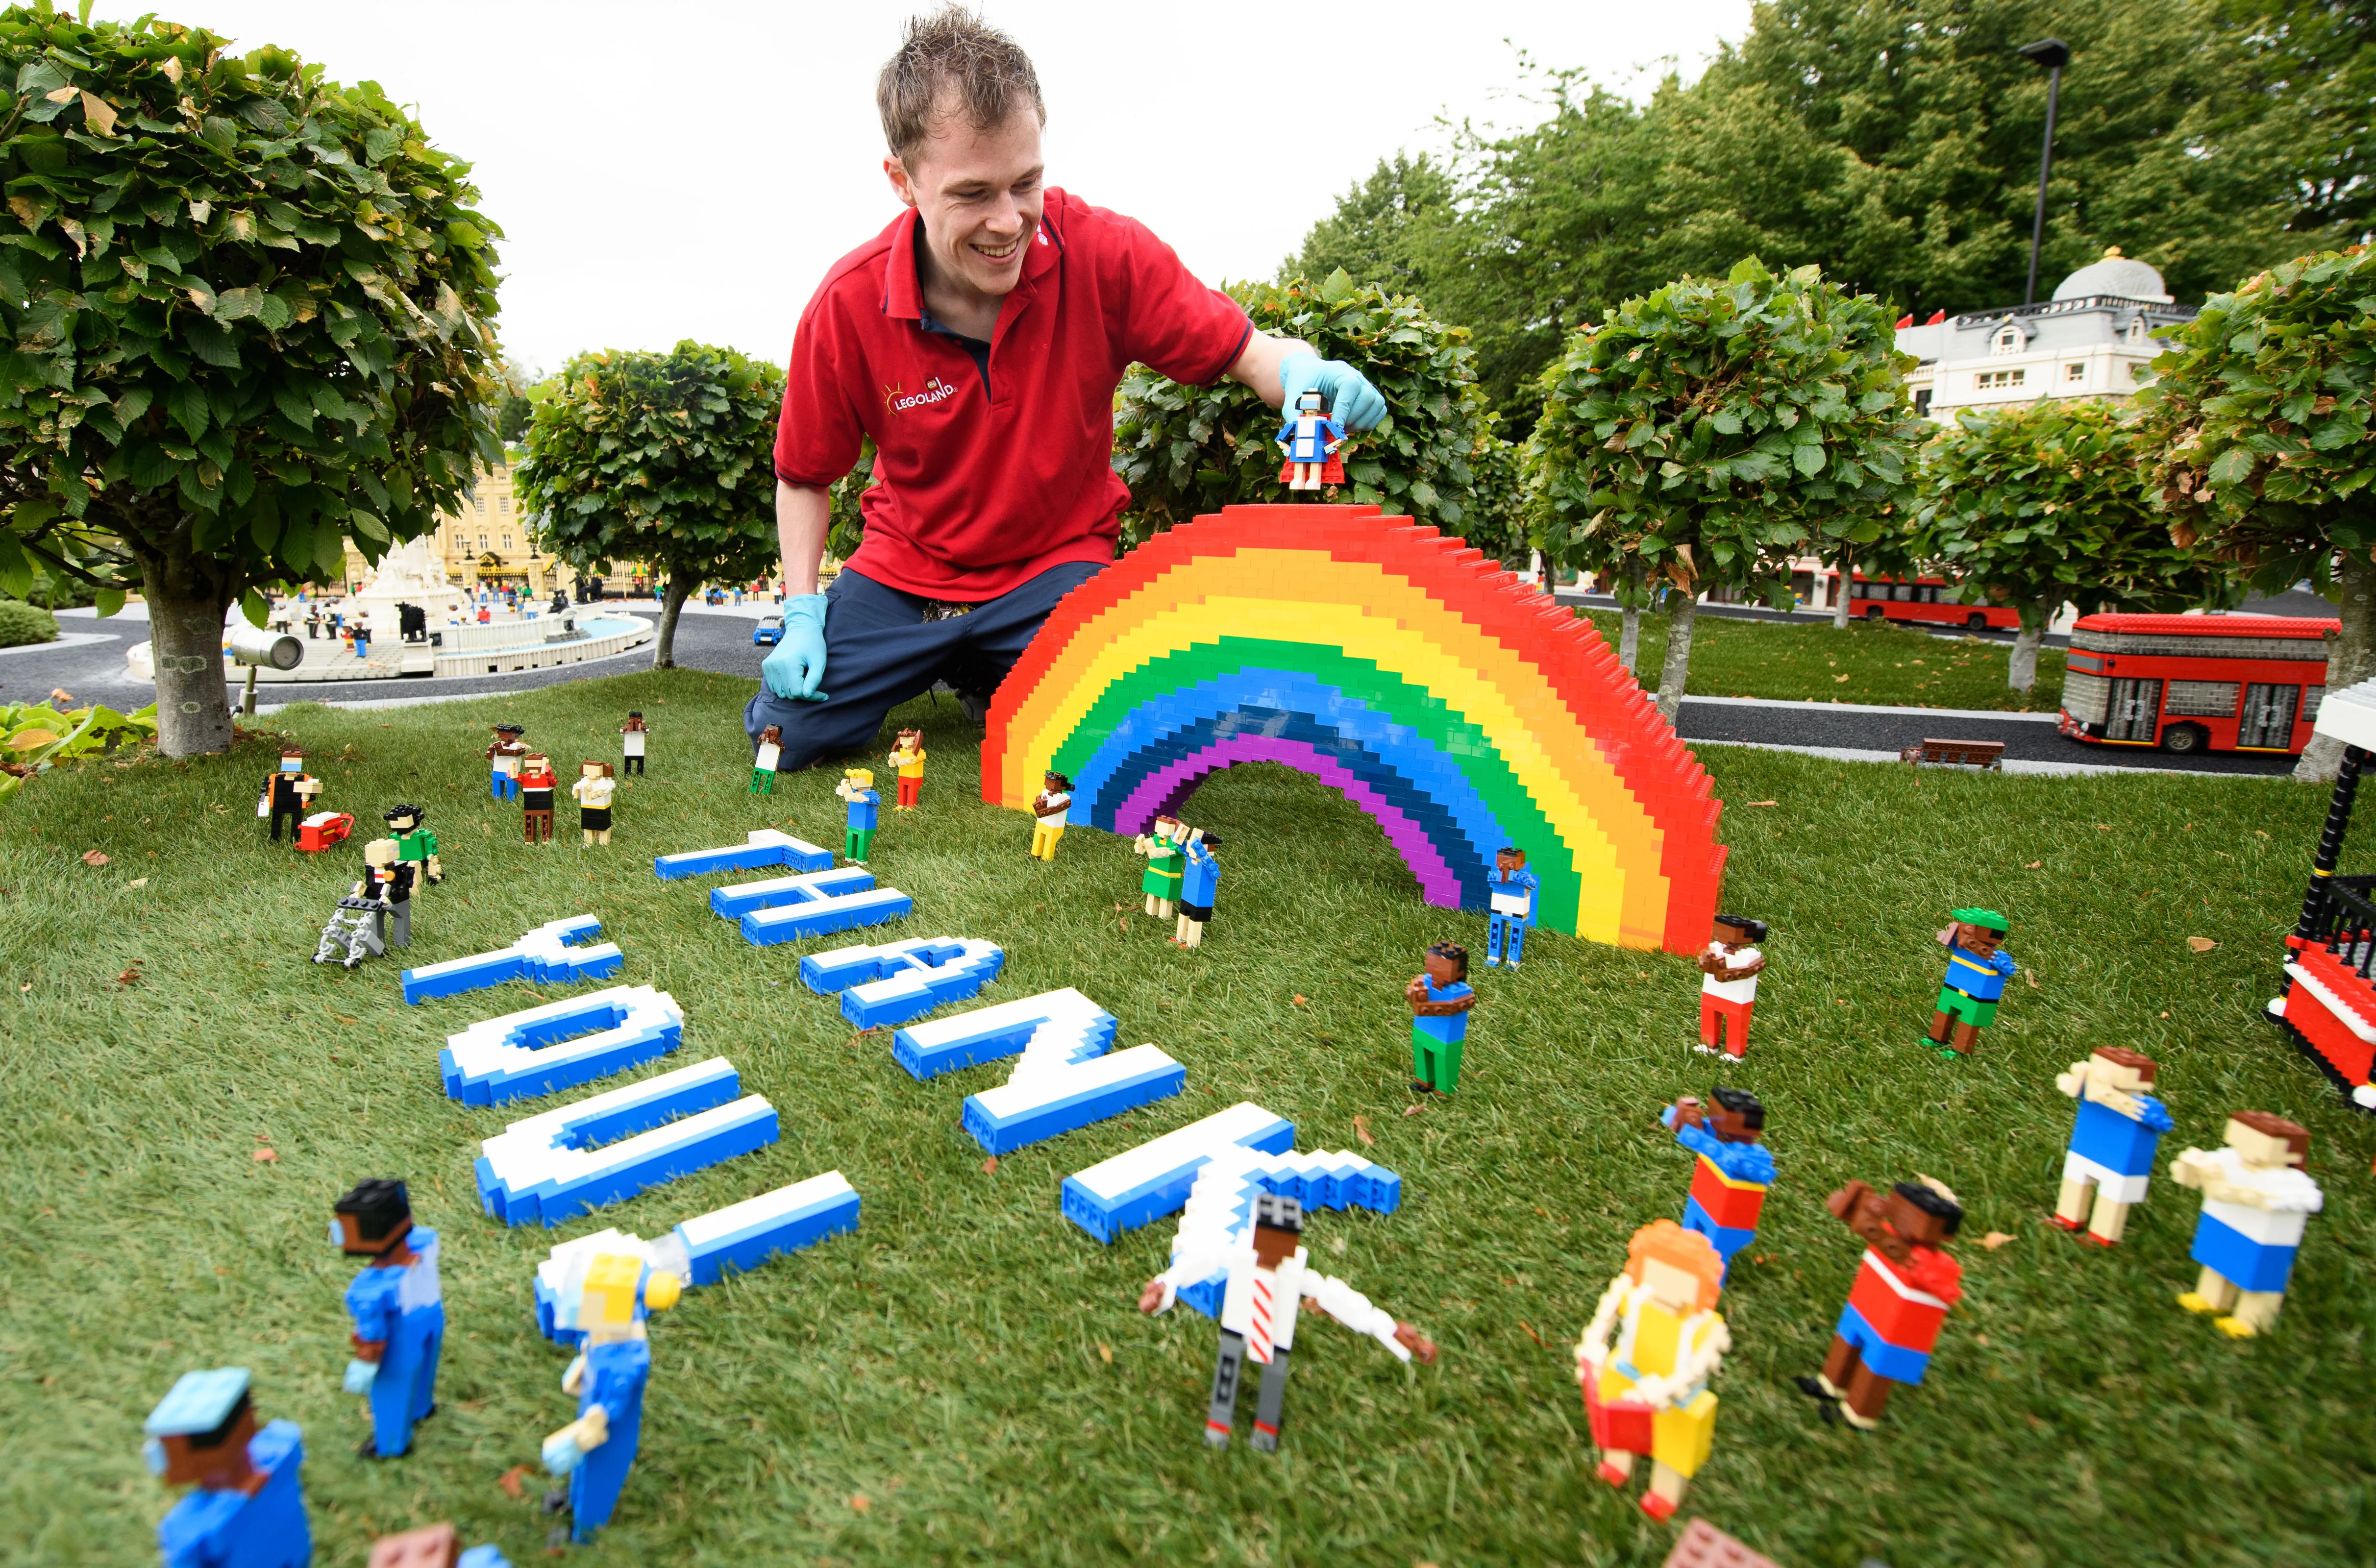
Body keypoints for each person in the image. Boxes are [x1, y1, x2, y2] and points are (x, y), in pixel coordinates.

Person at [747, 8, 1387, 776]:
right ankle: (969, 663)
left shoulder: (1107, 256)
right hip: (906, 571)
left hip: (1054, 567)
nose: (1008, 221)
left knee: (1124, 757)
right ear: (902, 181)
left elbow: (1249, 354)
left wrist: (1303, 370)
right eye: (973, 193)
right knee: (788, 741)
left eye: (1027, 182)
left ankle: (993, 666)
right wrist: (802, 614)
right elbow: (805, 475)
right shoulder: (846, 305)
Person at [333, 1178, 443, 1459]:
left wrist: (365, 1362)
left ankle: (392, 1444)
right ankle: (422, 1407)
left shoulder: (369, 1289)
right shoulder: (425, 1242)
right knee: (425, 1367)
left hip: (399, 1339)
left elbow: (373, 1333)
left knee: (390, 1390)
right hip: (432, 1318)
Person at [1697, 915, 1767, 1059]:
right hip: (1712, 991)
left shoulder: (1750, 956)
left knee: (1736, 1021)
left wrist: (1724, 973)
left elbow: (1751, 969)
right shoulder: (1715, 949)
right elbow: (1705, 962)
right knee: (1709, 1014)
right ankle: (1708, 1044)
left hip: (1738, 998)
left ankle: (1734, 1053)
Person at [1029, 770, 1071, 859]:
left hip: (1054, 826)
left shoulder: (1063, 798)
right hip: (1042, 822)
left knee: (1050, 841)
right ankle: (1035, 854)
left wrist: (1043, 811)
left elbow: (1060, 807)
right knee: (1038, 837)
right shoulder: (1045, 793)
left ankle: (1047, 858)